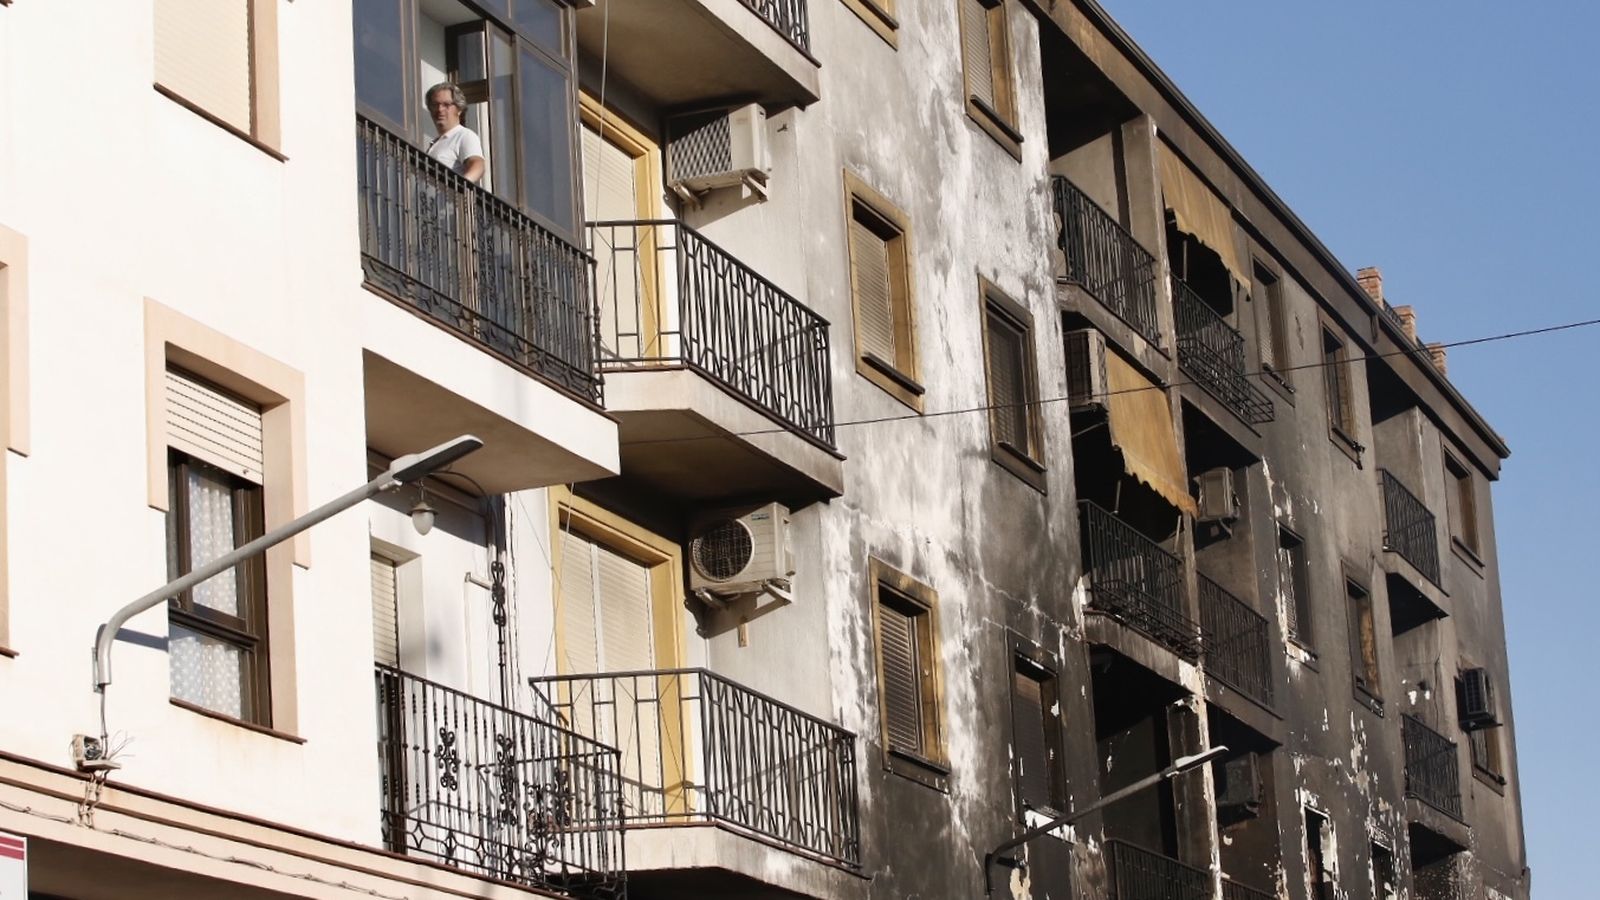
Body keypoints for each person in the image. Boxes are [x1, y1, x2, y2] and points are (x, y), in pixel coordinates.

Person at [424, 82, 485, 184]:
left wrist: (461, 186)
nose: (440, 109)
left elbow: (477, 165)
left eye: (446, 105)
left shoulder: (464, 135)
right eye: (435, 105)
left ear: (459, 109)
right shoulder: (436, 143)